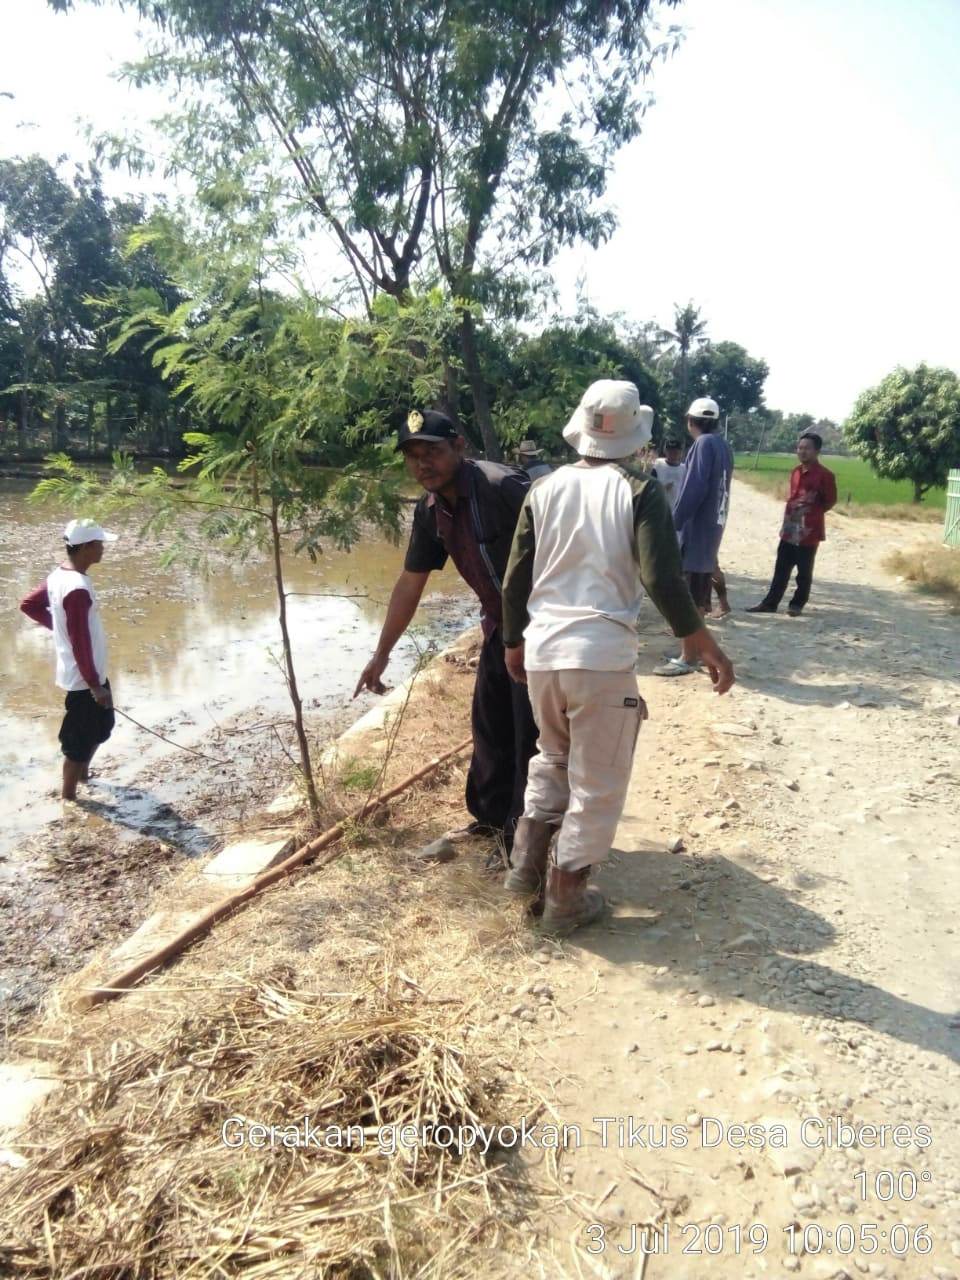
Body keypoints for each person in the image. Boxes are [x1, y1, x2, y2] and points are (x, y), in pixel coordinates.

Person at [500, 380, 735, 936]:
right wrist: (700, 639)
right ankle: (565, 901)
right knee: (598, 783)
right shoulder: (639, 489)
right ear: (635, 437)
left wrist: (514, 641)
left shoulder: (544, 488)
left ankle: (524, 870)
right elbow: (660, 575)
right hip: (600, 657)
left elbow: (516, 577)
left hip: (544, 653)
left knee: (552, 757)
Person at [355, 409, 538, 859]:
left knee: (529, 736)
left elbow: (569, 546)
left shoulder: (502, 488)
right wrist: (381, 655)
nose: (423, 464)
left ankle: (525, 840)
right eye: (413, 456)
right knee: (490, 727)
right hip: (500, 627)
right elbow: (410, 582)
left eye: (432, 451)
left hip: (544, 629)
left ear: (459, 447)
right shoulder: (432, 510)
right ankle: (491, 822)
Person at [19, 518, 118, 802]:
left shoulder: (59, 576)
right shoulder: (77, 589)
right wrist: (94, 686)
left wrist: (58, 626)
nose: (103, 549)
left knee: (102, 727)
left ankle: (83, 776)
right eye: (99, 544)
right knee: (77, 742)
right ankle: (69, 798)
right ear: (86, 547)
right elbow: (81, 642)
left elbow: (30, 605)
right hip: (84, 679)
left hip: (91, 673)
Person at [654, 396, 734, 676]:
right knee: (697, 596)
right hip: (711, 529)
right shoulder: (723, 446)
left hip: (697, 532)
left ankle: (688, 656)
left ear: (691, 421)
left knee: (689, 598)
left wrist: (673, 521)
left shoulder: (702, 445)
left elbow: (694, 488)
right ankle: (693, 650)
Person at [747, 432, 838, 617]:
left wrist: (811, 513)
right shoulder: (795, 472)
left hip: (809, 530)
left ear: (817, 451)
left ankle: (797, 604)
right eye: (800, 448)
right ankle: (770, 603)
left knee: (804, 571)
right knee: (781, 568)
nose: (802, 451)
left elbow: (830, 501)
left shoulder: (825, 475)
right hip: (789, 528)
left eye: (807, 448)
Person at [651, 438, 686, 507]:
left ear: (681, 453)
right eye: (670, 452)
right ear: (665, 451)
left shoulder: (684, 469)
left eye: (676, 453)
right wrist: (662, 489)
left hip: (676, 509)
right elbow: (651, 487)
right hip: (659, 506)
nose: (672, 455)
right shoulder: (658, 464)